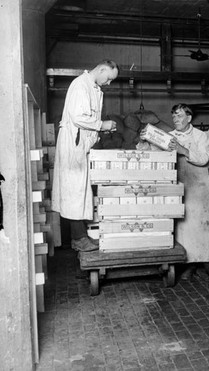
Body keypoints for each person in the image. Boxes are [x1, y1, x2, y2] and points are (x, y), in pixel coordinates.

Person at [141, 103, 209, 285]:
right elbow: (150, 154)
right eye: (174, 116)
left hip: (199, 190)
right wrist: (145, 141)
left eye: (180, 116)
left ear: (189, 118)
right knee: (183, 230)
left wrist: (182, 150)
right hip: (180, 188)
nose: (176, 120)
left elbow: (204, 158)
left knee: (204, 229)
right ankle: (190, 265)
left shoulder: (201, 136)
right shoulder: (170, 137)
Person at [52, 60, 119, 252]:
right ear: (101, 69)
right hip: (74, 145)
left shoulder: (93, 87)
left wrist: (99, 130)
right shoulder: (80, 85)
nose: (109, 83)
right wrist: (102, 125)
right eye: (108, 78)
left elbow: (89, 119)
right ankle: (78, 238)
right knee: (75, 192)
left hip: (81, 144)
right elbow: (78, 117)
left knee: (79, 191)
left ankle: (80, 236)